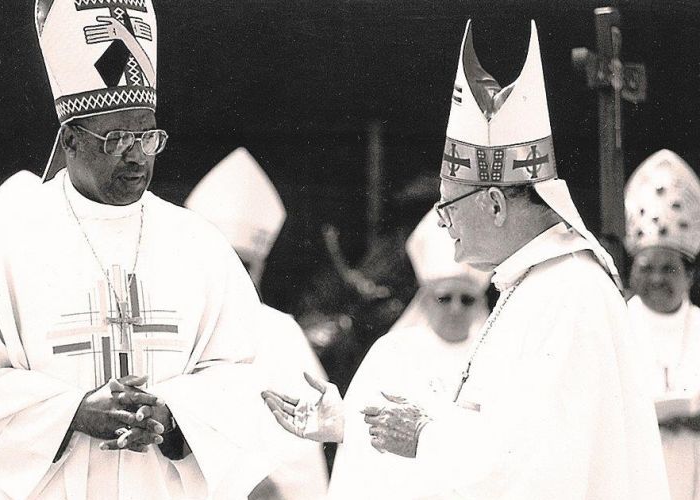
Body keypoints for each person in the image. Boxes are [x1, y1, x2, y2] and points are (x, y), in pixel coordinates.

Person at [264, 19, 669, 499]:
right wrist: (350, 423)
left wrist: (425, 436)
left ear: (495, 204)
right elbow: (496, 435)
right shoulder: (536, 287)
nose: (441, 222)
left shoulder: (572, 293)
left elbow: (550, 461)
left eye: (447, 205)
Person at [0, 1, 281, 498]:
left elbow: (249, 377)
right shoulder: (5, 239)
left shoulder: (197, 243)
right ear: (71, 141)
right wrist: (71, 413)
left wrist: (175, 415)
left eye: (148, 136)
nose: (137, 154)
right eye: (118, 137)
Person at [185, 148, 329, 499]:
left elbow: (303, 450)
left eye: (245, 265)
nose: (234, 277)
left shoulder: (281, 333)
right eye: (226, 262)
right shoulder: (172, 326)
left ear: (261, 267)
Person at [325, 209, 490, 499]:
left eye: (466, 299)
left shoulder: (494, 356)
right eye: (444, 298)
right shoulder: (393, 352)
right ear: (425, 300)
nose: (455, 309)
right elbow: (362, 446)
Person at [624, 149, 700, 500]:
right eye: (646, 267)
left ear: (690, 274)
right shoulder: (615, 328)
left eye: (667, 268)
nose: (656, 279)